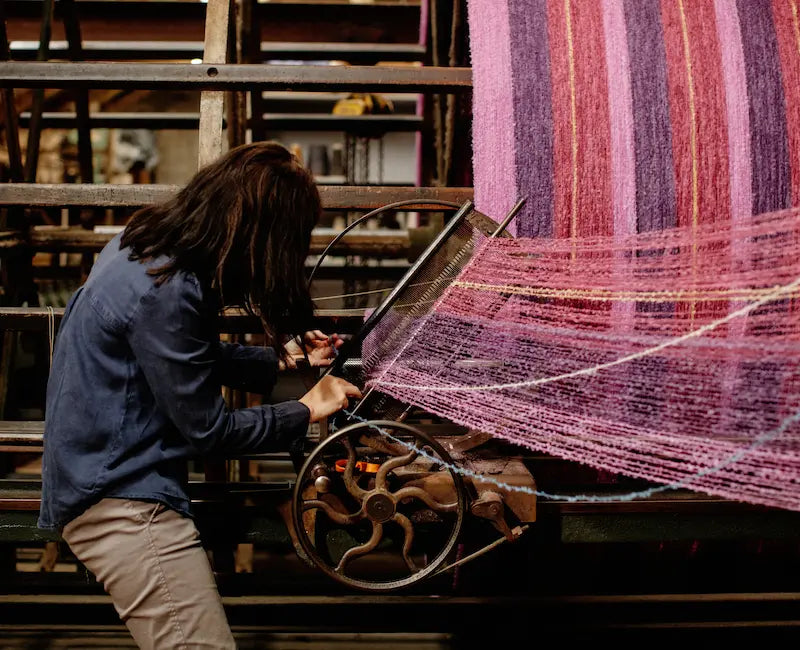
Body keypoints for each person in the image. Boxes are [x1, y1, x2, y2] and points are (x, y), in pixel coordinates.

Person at [37, 142, 362, 649]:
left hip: (103, 473)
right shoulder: (168, 289)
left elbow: (175, 355)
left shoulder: (142, 245)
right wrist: (306, 408)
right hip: (120, 501)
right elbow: (209, 430)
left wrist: (281, 359)